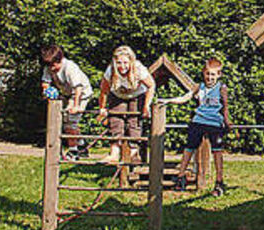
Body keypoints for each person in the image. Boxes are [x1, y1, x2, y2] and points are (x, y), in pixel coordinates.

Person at [160, 58, 231, 196]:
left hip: (214, 123)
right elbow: (185, 97)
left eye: (213, 75)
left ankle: (219, 182)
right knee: (189, 148)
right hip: (198, 121)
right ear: (204, 73)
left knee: (217, 152)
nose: (210, 77)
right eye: (208, 74)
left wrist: (227, 122)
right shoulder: (200, 87)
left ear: (219, 75)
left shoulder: (221, 88)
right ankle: (180, 177)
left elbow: (225, 106)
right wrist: (169, 100)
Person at [98, 46, 155, 164]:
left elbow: (151, 85)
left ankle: (134, 152)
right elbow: (104, 91)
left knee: (134, 121)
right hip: (117, 95)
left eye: (125, 62)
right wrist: (102, 108)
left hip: (137, 94)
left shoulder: (139, 70)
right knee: (115, 119)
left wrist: (146, 106)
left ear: (131, 62)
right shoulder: (110, 71)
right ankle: (114, 153)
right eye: (119, 62)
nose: (122, 66)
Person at [40, 45, 94, 161]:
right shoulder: (49, 67)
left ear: (60, 60)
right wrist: (47, 92)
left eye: (54, 66)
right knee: (64, 121)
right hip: (66, 94)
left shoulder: (70, 68)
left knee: (71, 122)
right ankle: (81, 144)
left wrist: (75, 106)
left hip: (81, 93)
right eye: (49, 66)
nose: (52, 69)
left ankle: (73, 152)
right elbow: (45, 82)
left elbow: (78, 88)